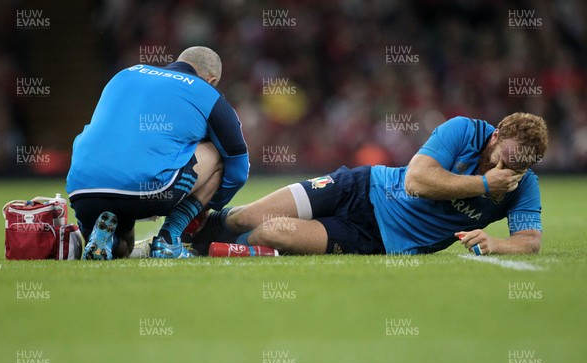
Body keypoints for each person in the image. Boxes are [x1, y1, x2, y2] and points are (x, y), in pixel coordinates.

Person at [192, 113, 547, 256]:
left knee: (272, 233)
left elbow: (530, 241)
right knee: (245, 217)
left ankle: (198, 253)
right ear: (496, 136)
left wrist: (496, 243)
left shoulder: (522, 184)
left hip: (378, 238)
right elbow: (416, 181)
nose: (510, 171)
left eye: (521, 166)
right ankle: (176, 235)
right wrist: (484, 184)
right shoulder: (464, 130)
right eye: (507, 158)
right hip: (361, 185)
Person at [66, 46, 249, 259]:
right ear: (211, 80)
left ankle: (106, 239)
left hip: (82, 191)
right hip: (150, 192)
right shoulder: (206, 92)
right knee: (218, 155)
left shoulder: (125, 74)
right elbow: (237, 170)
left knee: (124, 249)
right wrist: (203, 206)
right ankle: (169, 239)